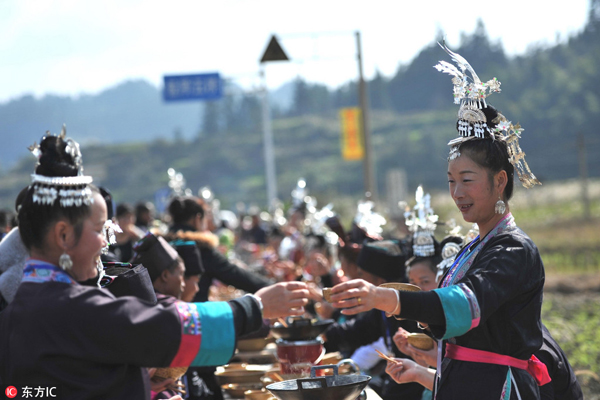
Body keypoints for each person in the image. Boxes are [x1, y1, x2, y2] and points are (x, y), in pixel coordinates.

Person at [0, 129, 310, 399]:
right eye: (98, 230)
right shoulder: (74, 309)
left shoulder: (24, 307)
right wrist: (253, 308)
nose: (104, 243)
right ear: (63, 235)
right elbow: (164, 327)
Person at [329, 45, 552, 399]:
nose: (457, 192)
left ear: (499, 181)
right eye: (451, 181)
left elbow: (462, 306)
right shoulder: (474, 247)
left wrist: (382, 296)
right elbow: (445, 318)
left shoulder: (513, 249)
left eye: (467, 179)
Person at [323, 239, 424, 400]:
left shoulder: (410, 313)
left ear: (381, 283)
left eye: (362, 275)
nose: (357, 279)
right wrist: (323, 334)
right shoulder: (382, 310)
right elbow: (361, 330)